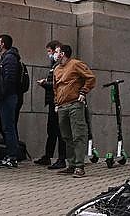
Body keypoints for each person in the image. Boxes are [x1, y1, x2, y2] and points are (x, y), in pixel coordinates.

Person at [53, 44, 96, 178]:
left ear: (63, 53)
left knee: (78, 135)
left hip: (74, 104)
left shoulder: (76, 64)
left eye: (57, 51)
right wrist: (56, 102)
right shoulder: (57, 69)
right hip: (62, 106)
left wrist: (83, 92)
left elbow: (90, 77)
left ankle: (79, 166)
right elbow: (56, 87)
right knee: (66, 136)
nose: (55, 54)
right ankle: (71, 164)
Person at [34, 40, 67, 169]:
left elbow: (57, 84)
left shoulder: (60, 65)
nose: (49, 54)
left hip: (58, 101)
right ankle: (48, 156)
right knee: (51, 130)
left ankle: (61, 158)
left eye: (50, 51)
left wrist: (44, 83)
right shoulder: (54, 65)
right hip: (53, 101)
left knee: (59, 131)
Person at [0, 33, 22, 167]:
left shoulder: (10, 58)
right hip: (6, 96)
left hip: (8, 97)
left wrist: (1, 91)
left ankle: (12, 156)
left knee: (8, 127)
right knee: (5, 126)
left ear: (3, 44)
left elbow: (9, 79)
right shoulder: (6, 57)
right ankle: (11, 154)